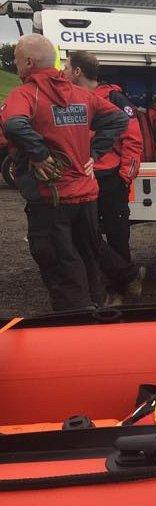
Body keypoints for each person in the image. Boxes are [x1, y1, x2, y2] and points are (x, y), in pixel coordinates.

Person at [1, 35, 128, 311]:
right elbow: (120, 118)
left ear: (29, 62)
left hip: (51, 200)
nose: (15, 65)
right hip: (86, 199)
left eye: (17, 60)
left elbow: (12, 125)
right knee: (88, 258)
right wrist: (94, 154)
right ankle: (96, 314)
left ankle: (76, 326)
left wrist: (40, 153)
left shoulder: (25, 93)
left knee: (60, 265)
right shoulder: (80, 94)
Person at [63, 51, 147, 302]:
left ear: (78, 71)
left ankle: (122, 290)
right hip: (83, 178)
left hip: (110, 177)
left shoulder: (114, 98)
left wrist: (124, 177)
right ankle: (120, 280)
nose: (63, 72)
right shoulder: (68, 97)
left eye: (66, 67)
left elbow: (133, 139)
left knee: (117, 234)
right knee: (88, 236)